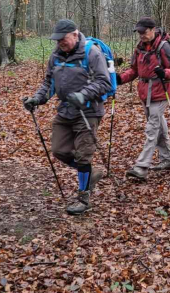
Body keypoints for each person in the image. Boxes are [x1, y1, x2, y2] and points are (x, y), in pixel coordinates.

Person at [22, 20, 112, 215]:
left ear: (75, 34)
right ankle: (90, 172)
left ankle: (83, 198)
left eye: (63, 39)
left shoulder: (92, 53)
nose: (60, 43)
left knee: (83, 154)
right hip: (65, 110)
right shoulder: (55, 55)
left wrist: (83, 95)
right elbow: (49, 83)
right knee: (59, 150)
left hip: (88, 111)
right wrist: (37, 99)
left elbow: (104, 82)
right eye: (58, 39)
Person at [118, 17, 170, 181]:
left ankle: (141, 166)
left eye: (144, 32)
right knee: (158, 126)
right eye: (139, 32)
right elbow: (134, 70)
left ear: (153, 30)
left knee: (152, 128)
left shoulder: (164, 46)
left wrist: (165, 73)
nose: (141, 35)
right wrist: (120, 79)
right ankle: (168, 158)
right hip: (145, 93)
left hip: (161, 93)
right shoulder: (140, 48)